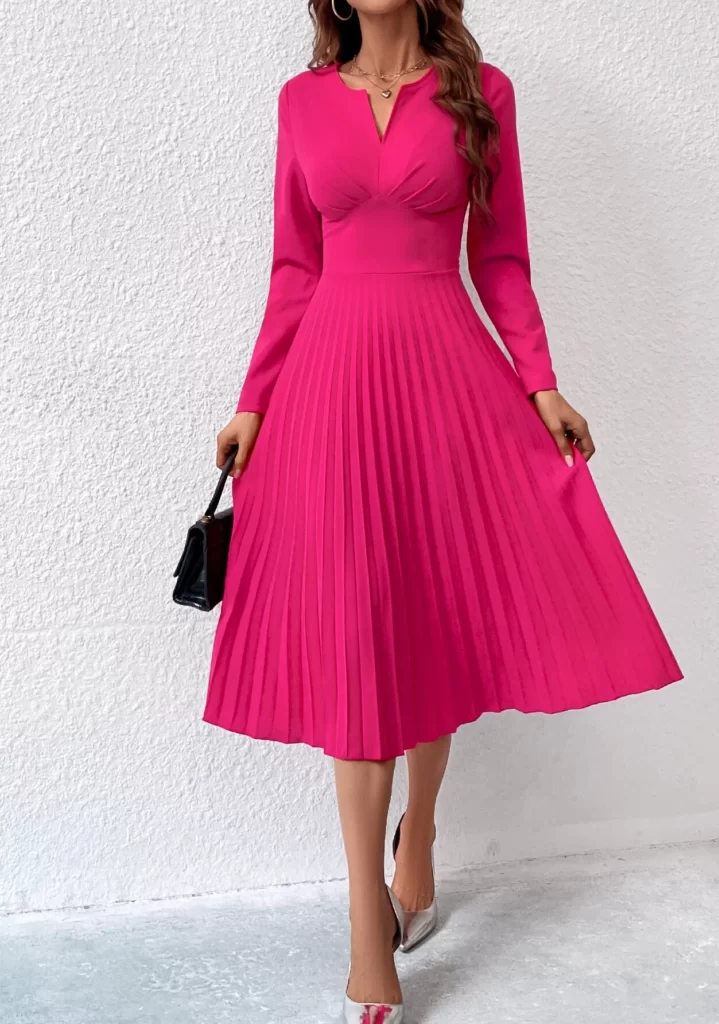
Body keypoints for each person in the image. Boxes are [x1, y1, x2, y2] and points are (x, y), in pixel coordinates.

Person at [202, 2, 683, 1020]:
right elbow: (294, 270)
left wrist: (539, 381)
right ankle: (364, 924)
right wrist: (252, 400)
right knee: (358, 634)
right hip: (329, 390)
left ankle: (417, 831)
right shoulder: (299, 102)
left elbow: (500, 261)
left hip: (444, 384)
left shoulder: (481, 92)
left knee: (426, 618)